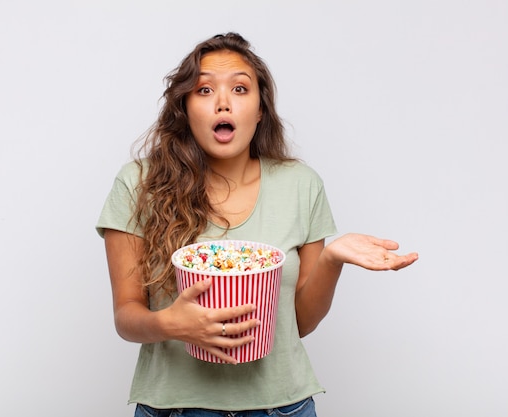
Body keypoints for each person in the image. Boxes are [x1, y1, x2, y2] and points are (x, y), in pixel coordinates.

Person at [96, 33, 418, 417]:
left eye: (239, 88)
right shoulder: (138, 183)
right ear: (184, 106)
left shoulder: (302, 184)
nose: (222, 102)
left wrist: (333, 259)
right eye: (203, 90)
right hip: (175, 409)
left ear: (261, 109)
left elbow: (299, 323)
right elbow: (126, 317)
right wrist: (171, 323)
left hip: (283, 408)